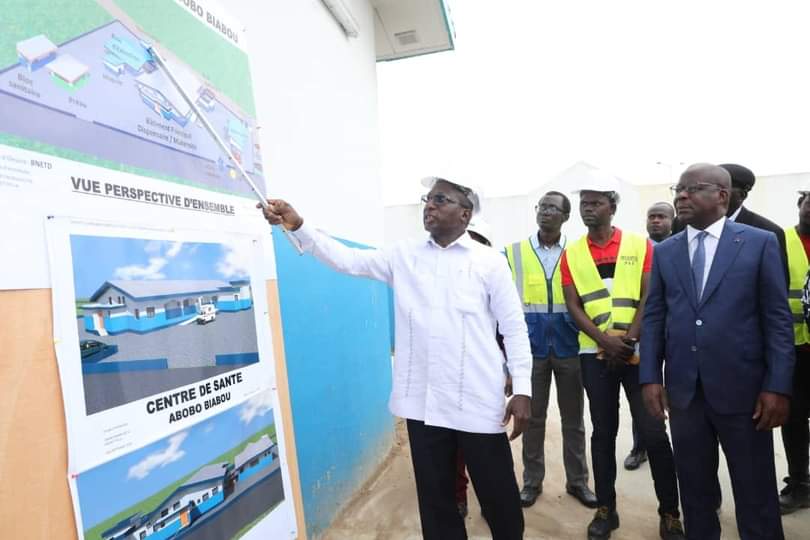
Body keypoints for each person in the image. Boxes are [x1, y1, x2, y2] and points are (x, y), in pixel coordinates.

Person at [258, 177, 532, 540]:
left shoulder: (489, 263)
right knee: (436, 503)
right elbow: (350, 261)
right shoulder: (404, 255)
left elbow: (514, 329)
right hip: (424, 405)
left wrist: (523, 389)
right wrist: (300, 226)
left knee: (499, 498)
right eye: (428, 198)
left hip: (478, 403)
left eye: (441, 199)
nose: (429, 205)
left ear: (465, 213)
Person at [641, 163, 794, 539]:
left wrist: (777, 386)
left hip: (745, 394)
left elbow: (777, 321)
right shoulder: (666, 252)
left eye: (692, 188)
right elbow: (655, 317)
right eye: (679, 188)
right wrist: (649, 377)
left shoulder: (759, 242)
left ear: (722, 196)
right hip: (685, 394)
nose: (681, 196)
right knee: (694, 488)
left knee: (755, 488)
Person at [561, 173, 684, 540]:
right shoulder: (573, 253)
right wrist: (604, 340)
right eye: (584, 202)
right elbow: (573, 305)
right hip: (594, 354)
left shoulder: (638, 245)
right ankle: (606, 510)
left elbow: (650, 297)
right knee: (603, 433)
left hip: (638, 353)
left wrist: (627, 340)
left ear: (612, 207)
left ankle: (670, 513)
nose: (587, 208)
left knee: (654, 433)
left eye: (595, 202)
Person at [504, 191, 597, 509]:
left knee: (574, 419)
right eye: (542, 207)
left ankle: (578, 482)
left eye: (553, 208)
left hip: (570, 346)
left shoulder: (578, 252)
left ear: (565, 216)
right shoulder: (513, 252)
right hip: (531, 350)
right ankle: (532, 482)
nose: (545, 212)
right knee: (532, 418)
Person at [623, 202, 676, 471]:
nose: (656, 221)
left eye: (662, 217)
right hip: (646, 332)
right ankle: (640, 446)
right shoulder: (636, 251)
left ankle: (678, 444)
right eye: (651, 216)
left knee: (678, 391)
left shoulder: (681, 247)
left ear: (672, 220)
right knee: (643, 389)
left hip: (677, 330)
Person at [671, 163, 787, 277]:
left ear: (741, 195)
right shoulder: (681, 223)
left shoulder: (766, 232)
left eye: (696, 189)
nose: (682, 195)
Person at [779, 191, 810, 514]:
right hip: (793, 347)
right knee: (794, 418)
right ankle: (799, 483)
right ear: (799, 205)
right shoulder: (780, 239)